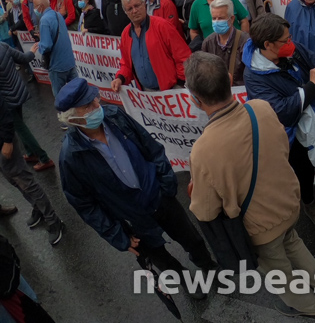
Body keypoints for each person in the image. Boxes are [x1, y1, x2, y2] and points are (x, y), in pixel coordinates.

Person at [186, 53, 315, 317]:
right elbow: (282, 149)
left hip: (260, 226)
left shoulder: (202, 150)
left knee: (279, 270)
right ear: (229, 80)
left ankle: (309, 306)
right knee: (293, 242)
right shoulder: (260, 108)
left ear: (195, 98)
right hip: (288, 202)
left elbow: (205, 211)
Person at [56, 78, 215, 294]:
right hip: (133, 219)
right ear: (72, 118)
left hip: (160, 197)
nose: (97, 107)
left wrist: (167, 185)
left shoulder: (115, 116)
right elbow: (85, 205)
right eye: (88, 106)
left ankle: (207, 265)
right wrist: (118, 236)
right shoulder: (71, 157)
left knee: (192, 238)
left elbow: (151, 147)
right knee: (162, 258)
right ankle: (188, 283)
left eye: (94, 100)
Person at [242, 14, 315, 229]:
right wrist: (312, 85)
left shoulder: (291, 49)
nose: (291, 43)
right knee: (302, 169)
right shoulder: (253, 76)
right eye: (285, 40)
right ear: (267, 44)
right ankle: (309, 204)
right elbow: (282, 112)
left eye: (290, 37)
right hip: (290, 132)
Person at [0, 95, 64, 244]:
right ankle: (38, 208)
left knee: (25, 181)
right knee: (14, 181)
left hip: (4, 143)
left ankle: (53, 220)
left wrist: (8, 141)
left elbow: (4, 112)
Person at [110, 0, 190, 93]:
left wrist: (179, 84)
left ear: (144, 5)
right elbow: (126, 63)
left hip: (171, 90)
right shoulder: (126, 34)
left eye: (137, 6)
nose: (134, 11)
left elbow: (183, 56)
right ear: (125, 12)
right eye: (130, 9)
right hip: (147, 94)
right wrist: (120, 78)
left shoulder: (162, 26)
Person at [0, 42, 53, 171]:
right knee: (20, 126)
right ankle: (30, 153)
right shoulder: (2, 45)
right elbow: (23, 59)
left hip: (6, 101)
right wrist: (32, 52)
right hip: (18, 91)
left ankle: (44, 158)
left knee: (21, 129)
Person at [30, 0, 78, 98]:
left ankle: (65, 114)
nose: (34, 9)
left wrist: (40, 45)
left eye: (34, 6)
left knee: (61, 98)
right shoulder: (58, 15)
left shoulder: (44, 20)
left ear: (40, 6)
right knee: (78, 92)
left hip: (57, 65)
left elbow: (47, 45)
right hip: (69, 61)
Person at [201, 0, 249, 86]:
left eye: (221, 18)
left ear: (232, 19)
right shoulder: (208, 43)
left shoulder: (245, 41)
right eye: (214, 18)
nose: (217, 22)